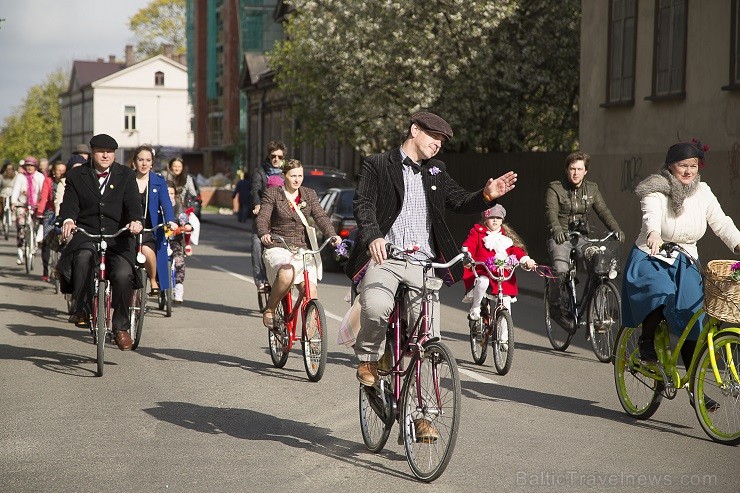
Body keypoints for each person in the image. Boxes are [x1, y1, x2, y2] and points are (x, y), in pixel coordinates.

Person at [344, 111, 517, 405]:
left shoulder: (435, 170)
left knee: (427, 339)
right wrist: (373, 235)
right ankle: (369, 360)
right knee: (376, 307)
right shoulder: (378, 164)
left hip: (424, 263)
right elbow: (364, 203)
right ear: (414, 130)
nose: (437, 144)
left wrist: (486, 196)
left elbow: (460, 200)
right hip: (386, 257)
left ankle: (422, 410)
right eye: (433, 137)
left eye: (441, 141)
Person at [622, 141, 740, 407]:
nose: (688, 171)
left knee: (693, 319)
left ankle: (693, 390)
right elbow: (649, 213)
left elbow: (720, 222)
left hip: (686, 257)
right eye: (682, 166)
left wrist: (737, 242)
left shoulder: (703, 192)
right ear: (670, 166)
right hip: (653, 253)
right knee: (658, 291)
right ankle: (646, 341)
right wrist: (652, 232)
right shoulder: (656, 188)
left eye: (693, 166)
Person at [59, 134, 143, 351]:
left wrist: (135, 220)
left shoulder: (125, 174)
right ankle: (83, 308)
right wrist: (68, 220)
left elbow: (133, 202)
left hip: (118, 236)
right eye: (100, 151)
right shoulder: (77, 175)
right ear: (92, 152)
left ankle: (121, 327)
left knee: (124, 274)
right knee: (83, 257)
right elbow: (69, 203)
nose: (105, 155)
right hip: (88, 233)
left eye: (110, 152)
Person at [256, 158, 341, 328]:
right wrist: (264, 233)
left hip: (302, 249)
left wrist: (332, 235)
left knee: (311, 290)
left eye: (300, 176)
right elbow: (263, 217)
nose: (297, 179)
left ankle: (311, 341)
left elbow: (321, 217)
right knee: (287, 273)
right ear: (284, 176)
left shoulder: (309, 194)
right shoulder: (273, 194)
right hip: (278, 246)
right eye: (293, 175)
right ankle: (270, 309)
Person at [544, 151, 624, 331]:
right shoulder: (555, 188)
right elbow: (551, 213)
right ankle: (556, 308)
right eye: (572, 169)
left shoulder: (592, 189)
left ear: (585, 171)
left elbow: (603, 211)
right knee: (561, 270)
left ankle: (597, 315)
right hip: (561, 237)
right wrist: (557, 230)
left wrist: (616, 229)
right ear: (567, 170)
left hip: (581, 238)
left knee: (600, 265)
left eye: (579, 169)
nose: (575, 173)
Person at [461, 204, 536, 320]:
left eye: (498, 218)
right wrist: (467, 255)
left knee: (505, 299)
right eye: (491, 217)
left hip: (501, 273)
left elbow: (515, 250)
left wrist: (526, 260)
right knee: (482, 281)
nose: (495, 220)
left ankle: (504, 337)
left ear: (502, 220)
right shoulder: (477, 232)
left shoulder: (506, 235)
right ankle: (475, 307)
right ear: (485, 218)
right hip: (483, 270)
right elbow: (469, 244)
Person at [129, 144, 176, 296]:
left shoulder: (158, 181)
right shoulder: (127, 179)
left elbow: (166, 203)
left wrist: (170, 220)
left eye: (148, 160)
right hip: (129, 226)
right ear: (134, 162)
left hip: (150, 227)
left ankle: (153, 279)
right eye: (141, 159)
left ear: (152, 163)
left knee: (147, 251)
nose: (144, 164)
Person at [250, 140, 287, 292]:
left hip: (282, 217)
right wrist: (258, 205)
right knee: (257, 244)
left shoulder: (288, 172)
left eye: (279, 156)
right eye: (273, 156)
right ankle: (261, 280)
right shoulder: (260, 172)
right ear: (269, 156)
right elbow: (255, 190)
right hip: (264, 215)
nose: (276, 159)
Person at [10, 156, 45, 265]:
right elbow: (15, 190)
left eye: (32, 166)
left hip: (35, 206)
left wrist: (40, 202)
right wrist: (14, 202)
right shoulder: (21, 177)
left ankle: (34, 244)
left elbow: (43, 191)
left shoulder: (39, 177)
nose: (29, 168)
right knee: (21, 226)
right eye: (28, 166)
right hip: (22, 205)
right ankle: (20, 249)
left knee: (36, 225)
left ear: (35, 167)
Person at [36, 161, 66, 281]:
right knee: (47, 239)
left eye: (63, 170)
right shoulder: (48, 181)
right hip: (50, 212)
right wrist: (40, 211)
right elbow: (44, 197)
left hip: (64, 213)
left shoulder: (68, 182)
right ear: (53, 171)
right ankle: (45, 271)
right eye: (58, 170)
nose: (60, 173)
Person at [166, 180, 194, 303]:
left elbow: (183, 217)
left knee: (179, 262)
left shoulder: (177, 206)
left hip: (175, 240)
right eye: (166, 193)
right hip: (160, 240)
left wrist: (186, 225)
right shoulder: (157, 205)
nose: (169, 196)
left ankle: (178, 288)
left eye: (171, 193)